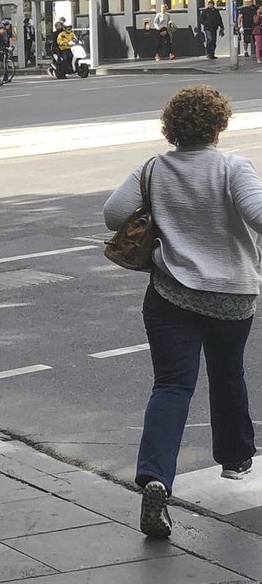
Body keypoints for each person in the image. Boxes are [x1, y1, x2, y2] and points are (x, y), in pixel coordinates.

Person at [103, 85, 262, 540]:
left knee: (172, 385)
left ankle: (155, 477)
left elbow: (113, 215)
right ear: (219, 124)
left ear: (171, 127)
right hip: (230, 296)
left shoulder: (154, 169)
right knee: (228, 375)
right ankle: (234, 460)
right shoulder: (233, 167)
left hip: (170, 293)